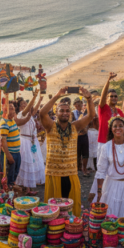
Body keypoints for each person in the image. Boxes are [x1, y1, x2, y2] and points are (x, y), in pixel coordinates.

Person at [39, 86, 95, 217]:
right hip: (54, 173)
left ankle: (71, 231)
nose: (64, 113)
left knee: (71, 208)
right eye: (61, 110)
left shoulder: (75, 127)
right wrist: (57, 95)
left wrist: (89, 98)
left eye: (67, 111)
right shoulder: (50, 126)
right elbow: (42, 113)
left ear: (70, 114)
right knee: (54, 210)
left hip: (70, 173)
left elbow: (91, 115)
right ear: (56, 113)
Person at [0, 97, 34, 187]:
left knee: (14, 175)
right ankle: (9, 194)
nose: (13, 110)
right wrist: (8, 155)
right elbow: (3, 142)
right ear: (4, 110)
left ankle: (13, 194)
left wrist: (29, 116)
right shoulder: (4, 123)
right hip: (10, 153)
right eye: (11, 108)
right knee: (9, 178)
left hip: (16, 152)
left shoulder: (12, 121)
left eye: (14, 108)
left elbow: (22, 121)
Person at [15, 90, 45, 191]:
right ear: (19, 107)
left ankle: (31, 184)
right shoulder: (21, 114)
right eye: (22, 104)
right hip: (25, 142)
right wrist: (34, 97)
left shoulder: (30, 116)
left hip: (32, 141)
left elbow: (35, 109)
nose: (24, 105)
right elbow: (29, 108)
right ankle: (27, 187)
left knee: (34, 162)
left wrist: (39, 100)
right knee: (26, 163)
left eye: (25, 104)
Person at [97, 73, 124, 145]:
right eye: (111, 96)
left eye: (115, 96)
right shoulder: (103, 108)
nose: (114, 98)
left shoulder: (120, 112)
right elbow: (103, 96)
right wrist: (108, 81)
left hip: (116, 142)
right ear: (107, 98)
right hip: (104, 142)